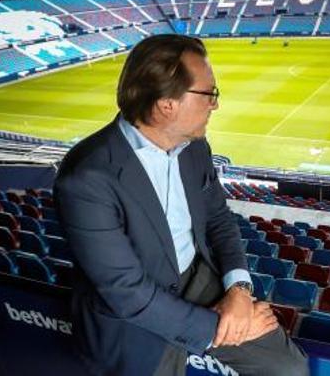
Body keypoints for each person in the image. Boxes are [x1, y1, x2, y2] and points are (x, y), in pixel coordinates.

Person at [54, 34, 309, 376]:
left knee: (289, 368)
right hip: (132, 317)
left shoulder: (195, 147)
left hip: (197, 279)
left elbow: (219, 219)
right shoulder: (86, 177)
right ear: (166, 105)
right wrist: (223, 327)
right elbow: (129, 293)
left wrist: (238, 289)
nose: (215, 104)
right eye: (209, 94)